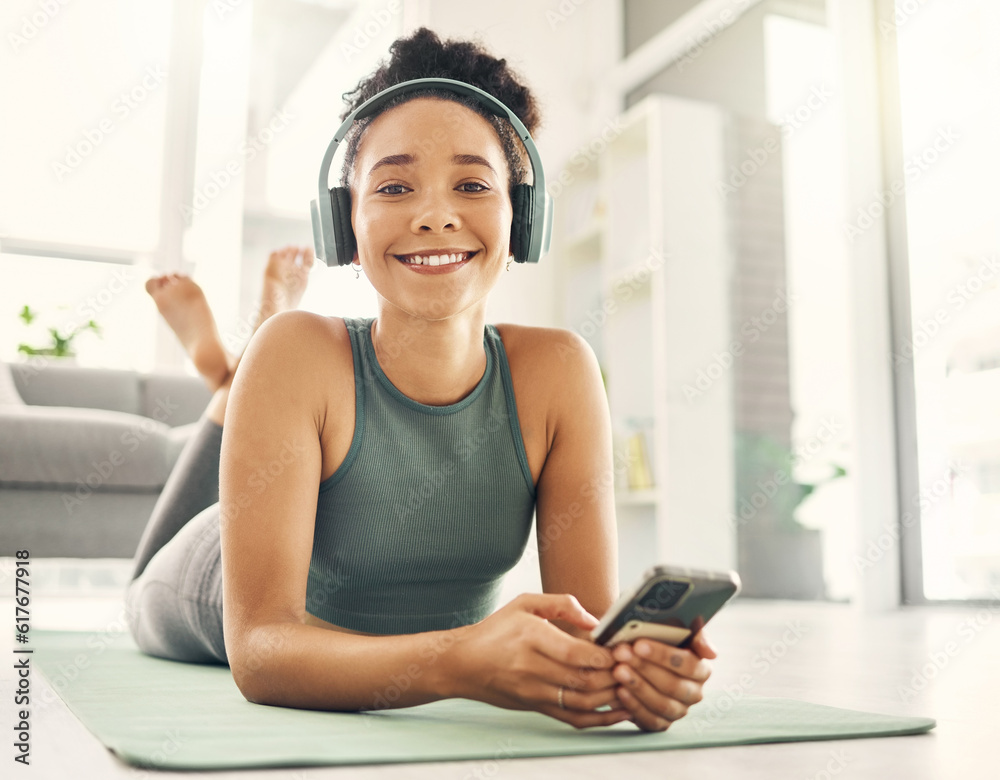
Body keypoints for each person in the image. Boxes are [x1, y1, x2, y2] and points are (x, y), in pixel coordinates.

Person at [125, 27, 716, 733]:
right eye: (395, 186)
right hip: (204, 574)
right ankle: (232, 372)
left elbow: (585, 628)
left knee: (257, 370)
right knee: (147, 572)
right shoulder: (298, 355)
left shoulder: (561, 372)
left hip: (289, 416)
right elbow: (259, 652)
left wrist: (629, 673)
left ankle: (228, 375)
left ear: (521, 216)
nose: (435, 214)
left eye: (472, 184)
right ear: (345, 221)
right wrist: (460, 662)